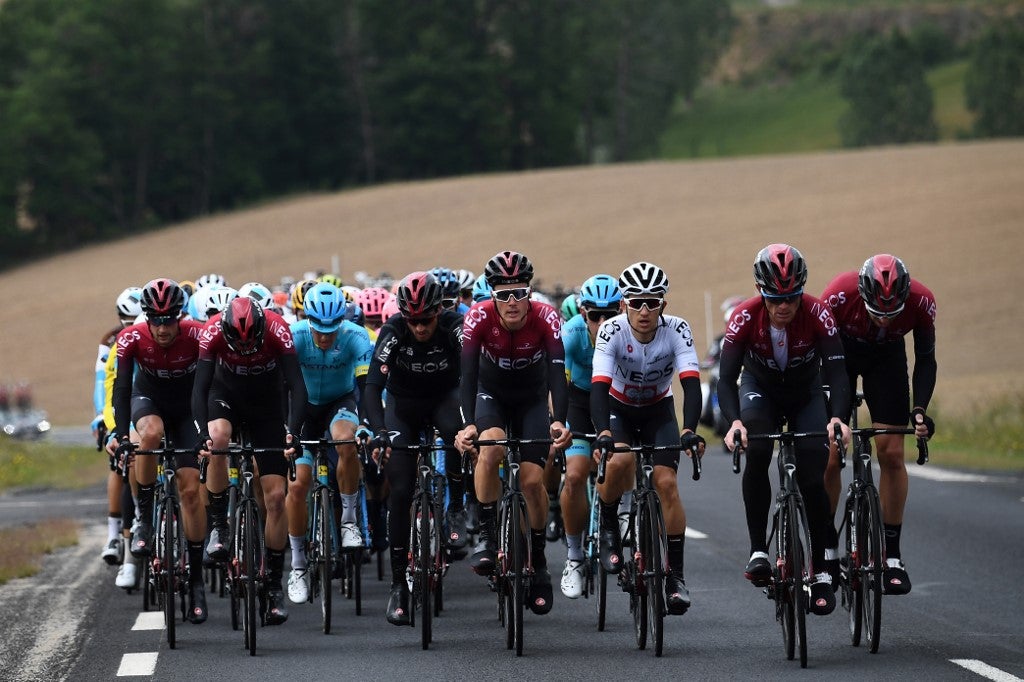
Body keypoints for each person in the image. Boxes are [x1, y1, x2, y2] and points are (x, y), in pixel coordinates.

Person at [718, 243, 851, 617]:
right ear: (762, 292)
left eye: (791, 297)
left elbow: (837, 373)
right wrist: (735, 423)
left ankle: (822, 568)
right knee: (757, 449)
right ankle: (759, 548)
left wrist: (837, 417)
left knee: (813, 472)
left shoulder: (819, 314)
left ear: (801, 291)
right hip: (760, 389)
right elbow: (726, 380)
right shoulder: (743, 318)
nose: (783, 306)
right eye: (775, 298)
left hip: (805, 392)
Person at [455, 251, 572, 616]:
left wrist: (559, 420)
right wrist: (467, 423)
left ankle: (538, 562)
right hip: (490, 396)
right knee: (490, 452)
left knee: (533, 481)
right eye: (503, 294)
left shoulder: (546, 318)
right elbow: (468, 378)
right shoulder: (478, 318)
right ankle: (490, 536)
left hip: (532, 400)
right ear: (491, 294)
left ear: (529, 294)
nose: (512, 302)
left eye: (519, 293)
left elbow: (557, 374)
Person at [589, 262, 704, 615]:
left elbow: (690, 383)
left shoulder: (677, 330)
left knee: (665, 482)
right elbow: (598, 387)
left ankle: (676, 578)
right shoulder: (611, 330)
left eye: (651, 303)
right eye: (636, 302)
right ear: (624, 303)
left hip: (658, 409)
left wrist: (689, 430)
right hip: (618, 409)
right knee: (620, 460)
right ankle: (609, 523)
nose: (643, 310)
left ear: (662, 306)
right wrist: (603, 434)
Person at [821, 254, 936, 595]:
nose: (885, 320)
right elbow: (821, 349)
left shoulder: (922, 301)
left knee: (891, 451)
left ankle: (893, 555)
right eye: (877, 312)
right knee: (830, 450)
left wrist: (919, 410)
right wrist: (833, 413)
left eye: (893, 313)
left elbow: (926, 359)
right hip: (840, 354)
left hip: (886, 360)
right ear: (863, 294)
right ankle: (826, 549)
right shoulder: (839, 294)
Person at [192, 296, 308, 626]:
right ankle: (219, 524)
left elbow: (297, 387)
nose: (244, 351)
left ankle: (273, 586)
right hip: (224, 397)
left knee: (275, 498)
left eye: (251, 344)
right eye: (237, 346)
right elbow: (199, 389)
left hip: (266, 405)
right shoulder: (212, 332)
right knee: (217, 439)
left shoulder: (277, 329)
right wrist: (201, 433)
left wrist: (293, 432)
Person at [363, 272, 467, 625]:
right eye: (414, 320)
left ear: (439, 311)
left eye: (427, 320)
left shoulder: (454, 324)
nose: (420, 327)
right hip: (403, 406)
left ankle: (455, 507)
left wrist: (473, 419)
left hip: (444, 399)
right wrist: (379, 431)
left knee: (457, 433)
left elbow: (474, 368)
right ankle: (397, 585)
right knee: (402, 489)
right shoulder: (394, 331)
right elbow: (373, 385)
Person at [108, 279, 210, 622]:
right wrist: (121, 435)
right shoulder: (131, 338)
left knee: (191, 492)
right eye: (156, 320)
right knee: (148, 435)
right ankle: (145, 521)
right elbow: (121, 390)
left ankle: (196, 581)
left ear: (179, 316)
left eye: (170, 320)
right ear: (146, 316)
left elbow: (214, 381)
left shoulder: (196, 334)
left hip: (187, 410)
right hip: (147, 400)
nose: (163, 328)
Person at [285, 282, 374, 605]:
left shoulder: (355, 336)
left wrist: (366, 424)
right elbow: (282, 388)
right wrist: (287, 431)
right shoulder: (293, 336)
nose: (325, 336)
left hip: (341, 402)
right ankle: (297, 566)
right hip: (303, 410)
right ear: (306, 318)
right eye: (318, 328)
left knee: (345, 440)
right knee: (298, 487)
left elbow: (366, 386)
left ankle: (349, 520)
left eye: (332, 328)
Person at [556, 274, 622, 599]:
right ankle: (574, 557)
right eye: (595, 315)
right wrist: (557, 424)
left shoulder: (630, 333)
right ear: (583, 314)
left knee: (624, 460)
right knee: (576, 475)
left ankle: (623, 514)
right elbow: (558, 386)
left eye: (610, 315)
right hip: (578, 402)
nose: (602, 322)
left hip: (617, 400)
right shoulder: (570, 334)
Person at [93, 287, 143, 570]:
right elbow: (102, 383)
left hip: (147, 405)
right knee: (120, 465)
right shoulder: (110, 340)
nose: (131, 326)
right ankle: (114, 536)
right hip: (120, 405)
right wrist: (101, 417)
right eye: (126, 319)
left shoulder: (151, 334)